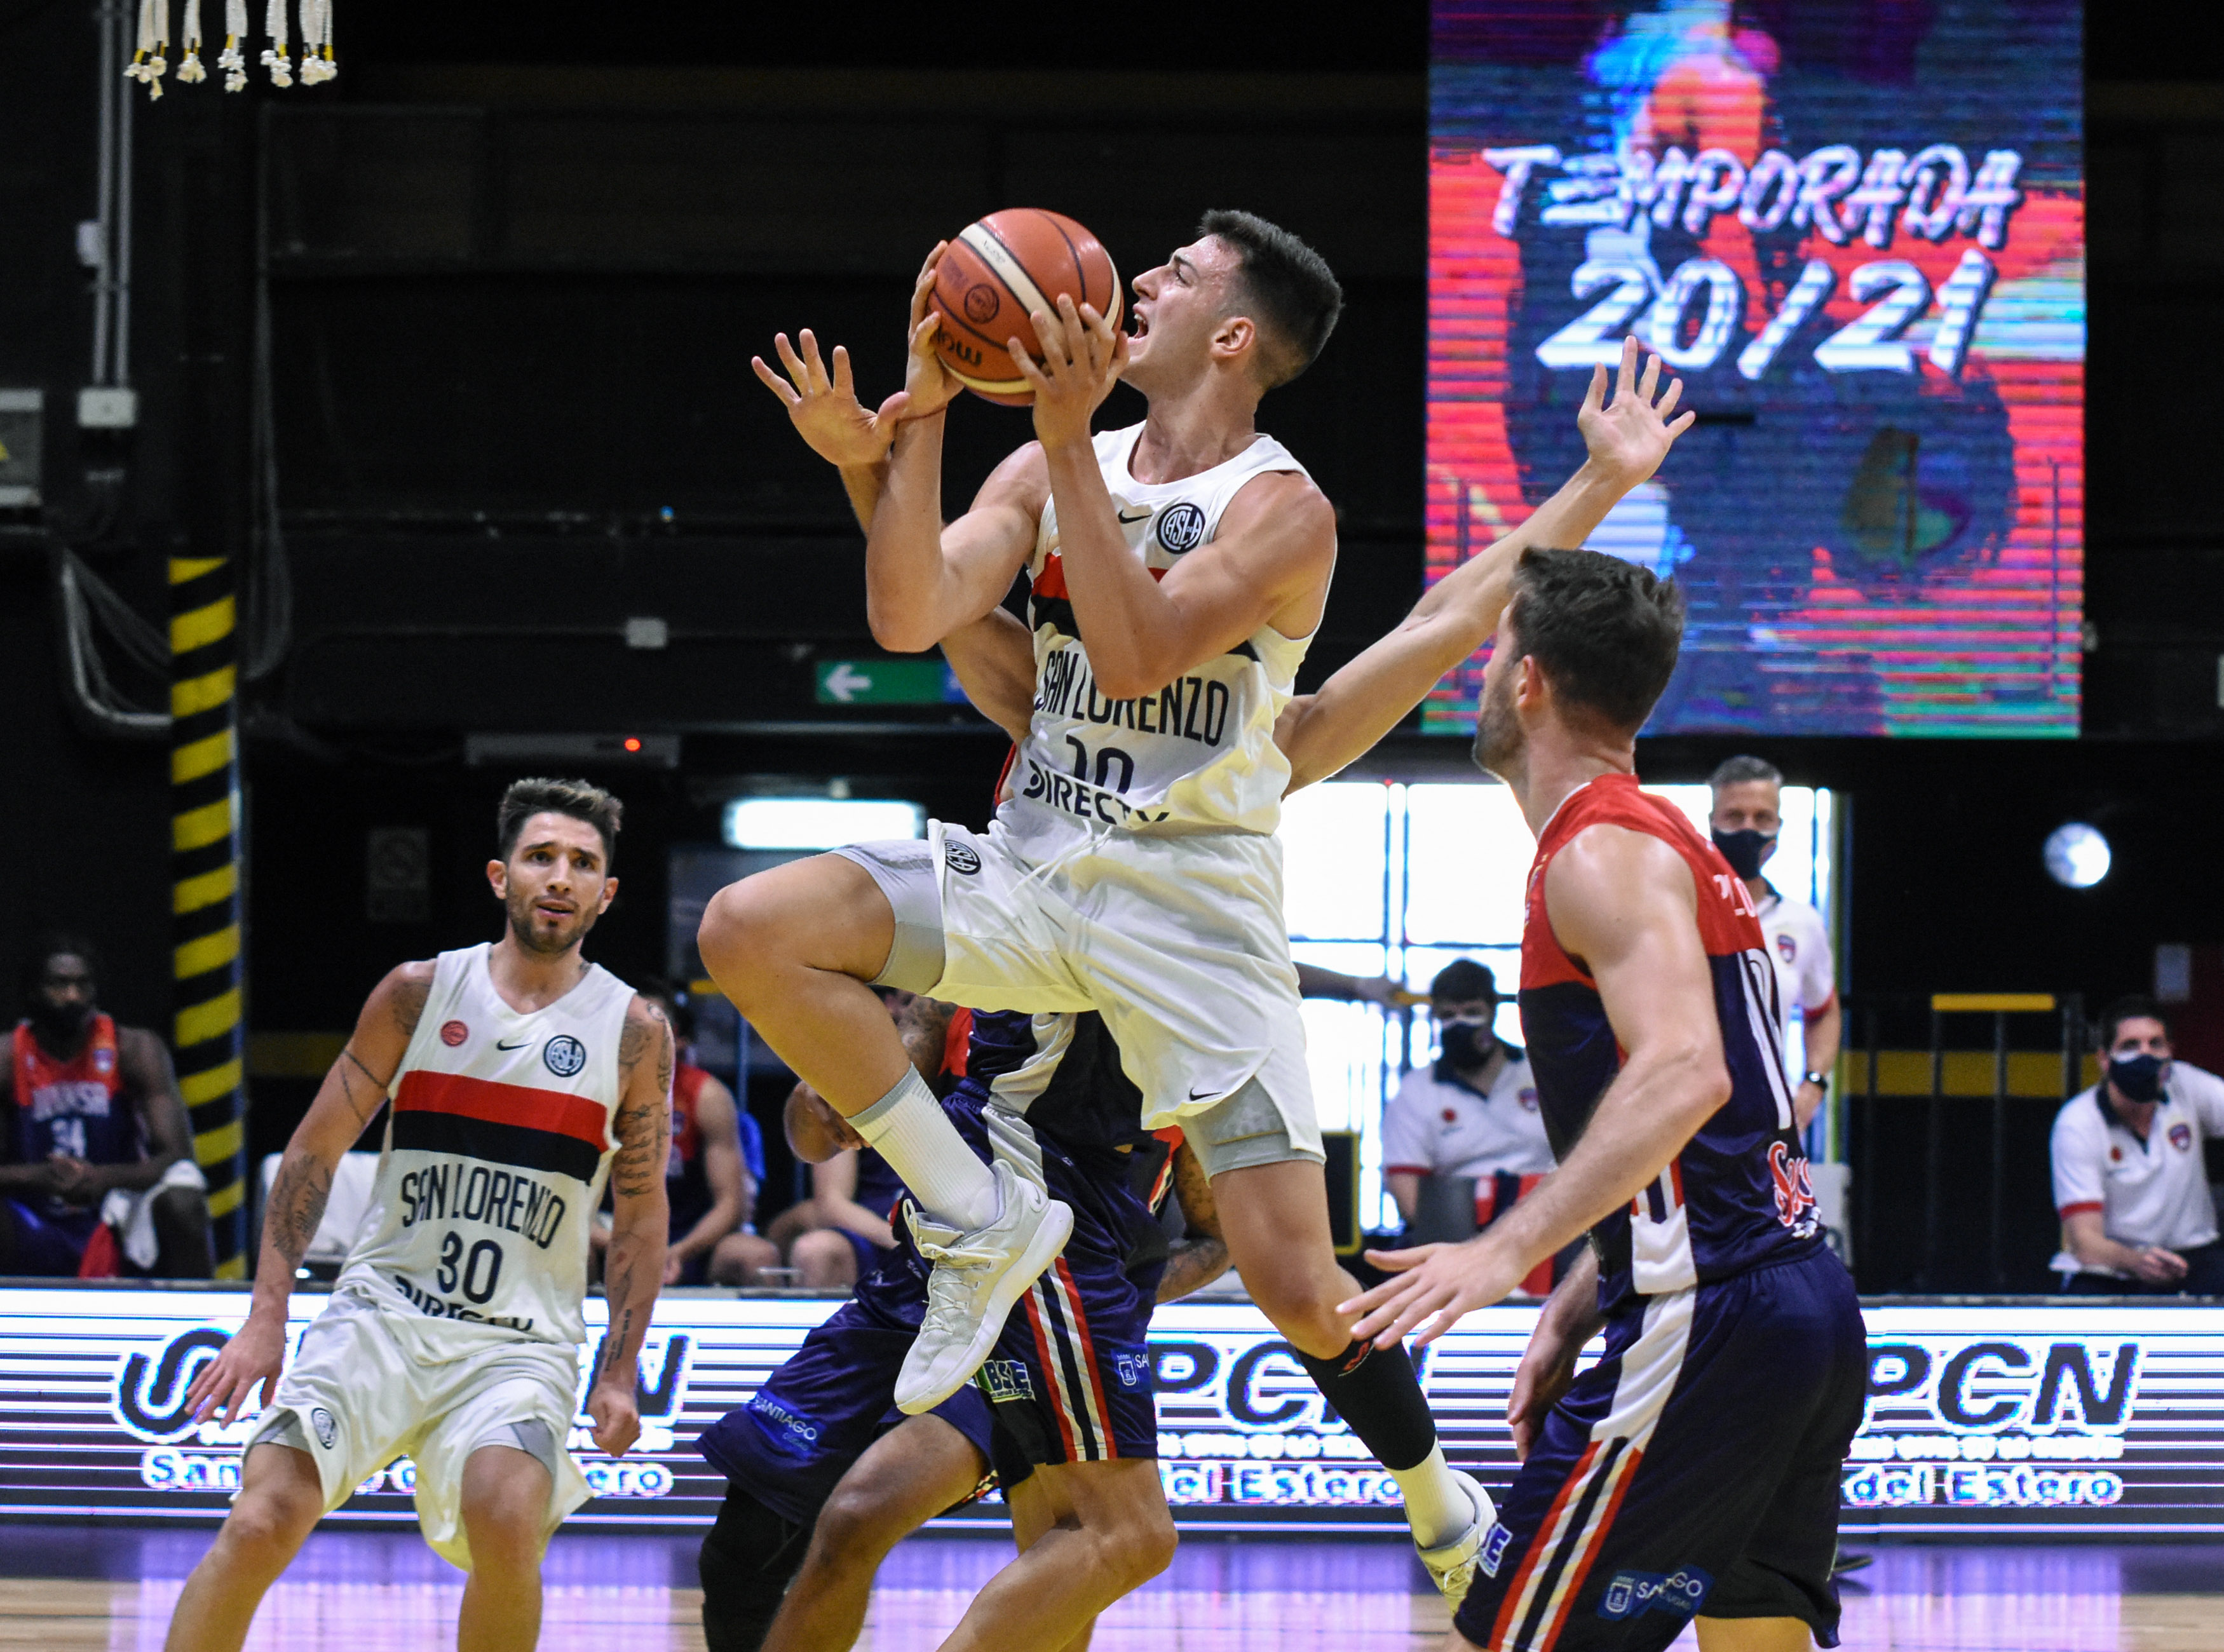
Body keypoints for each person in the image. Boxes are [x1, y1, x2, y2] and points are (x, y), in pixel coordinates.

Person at [747, 290, 1693, 1601]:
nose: (1140, 292)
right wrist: (885, 461)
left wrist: (1595, 482)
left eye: (1176, 275)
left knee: (1299, 1290)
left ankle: (1435, 1497)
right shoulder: (1039, 690)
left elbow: (1449, 618)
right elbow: (934, 607)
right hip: (1031, 1021)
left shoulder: (1268, 741)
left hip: (1174, 997)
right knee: (833, 1516)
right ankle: (974, 1221)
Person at [1341, 544, 1868, 1652]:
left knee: (1515, 1630)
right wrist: (1578, 1295)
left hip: (1711, 1314)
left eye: (1493, 654)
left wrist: (1502, 1252)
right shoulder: (1669, 843)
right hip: (1793, 1299)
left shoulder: (1601, 852)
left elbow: (1686, 1073)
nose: (1482, 675)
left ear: (1527, 680)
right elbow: (1707, 1138)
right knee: (1755, 1641)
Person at [163, 778, 673, 1652]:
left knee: (507, 1517)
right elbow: (312, 1156)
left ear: (606, 893)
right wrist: (264, 1319)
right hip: (380, 1320)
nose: (560, 877)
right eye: (540, 857)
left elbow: (638, 1214)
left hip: (517, 1342)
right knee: (259, 1521)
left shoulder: (633, 1029)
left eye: (582, 864)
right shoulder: (418, 991)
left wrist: (620, 1372)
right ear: (498, 876)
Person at [696, 1008, 1228, 1652]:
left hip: (1032, 1306)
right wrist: (818, 1097)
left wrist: (1108, 1299)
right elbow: (817, 1137)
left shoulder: (1172, 1018)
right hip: (911, 1284)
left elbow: (1218, 1235)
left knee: (867, 1517)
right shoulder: (966, 979)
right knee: (741, 1546)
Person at [0, 933, 212, 1278]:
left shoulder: (133, 1049)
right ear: (32, 992)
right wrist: (41, 1177)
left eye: (83, 985)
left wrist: (102, 1178)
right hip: (36, 1218)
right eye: (59, 985)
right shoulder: (9, 1056)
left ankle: (202, 1320)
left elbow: (177, 1154)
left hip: (118, 1214)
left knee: (183, 1200)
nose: (73, 996)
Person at [1381, 960, 1558, 1293]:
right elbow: (1408, 1193)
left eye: (1472, 1012)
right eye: (1449, 1016)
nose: (1460, 1024)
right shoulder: (1417, 1091)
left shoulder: (1543, 1073)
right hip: (1457, 1233)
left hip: (1551, 1231)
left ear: (1493, 1010)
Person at [2050, 995, 2224, 1296]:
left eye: (2155, 1044)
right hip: (2113, 1266)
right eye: (2130, 1046)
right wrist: (2137, 1262)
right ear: (2105, 1060)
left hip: (2196, 1259)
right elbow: (2084, 1241)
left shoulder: (2187, 1084)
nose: (2145, 1055)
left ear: (2170, 1052)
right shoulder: (2077, 1123)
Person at [1707, 755, 1841, 1132]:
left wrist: (1813, 1086)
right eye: (1735, 817)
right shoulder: (1674, 910)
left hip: (1763, 1120)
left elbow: (1824, 1010)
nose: (1749, 829)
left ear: (1779, 828)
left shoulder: (1802, 923)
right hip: (1678, 1122)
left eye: (1762, 818)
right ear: (1712, 823)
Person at [593, 980, 753, 1286]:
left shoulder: (707, 1096)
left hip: (690, 1236)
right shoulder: (591, 1091)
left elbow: (731, 1203)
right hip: (614, 1232)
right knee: (567, 1248)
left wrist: (679, 1251)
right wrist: (618, 1244)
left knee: (751, 1255)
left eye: (653, 1021)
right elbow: (567, 1196)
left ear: (679, 1037)